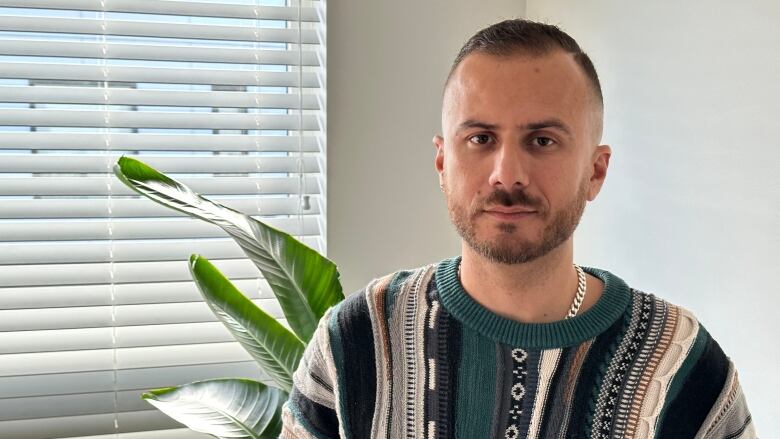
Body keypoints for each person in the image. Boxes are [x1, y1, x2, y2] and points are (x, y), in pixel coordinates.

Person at [280, 19, 755, 439]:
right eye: (481, 138)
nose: (507, 174)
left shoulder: (678, 366)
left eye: (542, 140)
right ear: (442, 162)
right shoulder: (356, 342)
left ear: (596, 171)